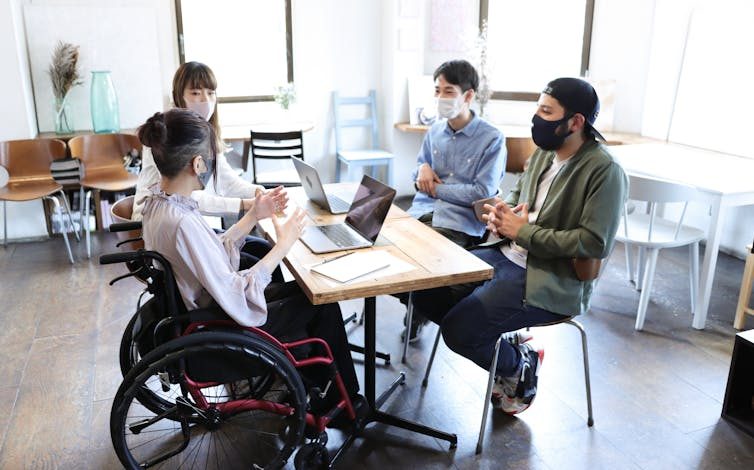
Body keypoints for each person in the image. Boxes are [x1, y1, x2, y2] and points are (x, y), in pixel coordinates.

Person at [412, 77, 627, 415]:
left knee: (458, 330)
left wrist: (523, 232)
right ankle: (498, 341)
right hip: (505, 254)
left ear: (575, 122)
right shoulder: (545, 154)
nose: (537, 118)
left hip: (551, 277)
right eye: (537, 109)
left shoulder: (605, 171)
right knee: (425, 291)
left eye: (546, 111)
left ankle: (517, 366)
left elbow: (592, 242)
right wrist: (503, 213)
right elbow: (519, 196)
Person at [137, 108, 360, 410]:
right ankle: (344, 404)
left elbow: (208, 252)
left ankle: (315, 387)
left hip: (203, 308)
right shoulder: (182, 222)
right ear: (198, 163)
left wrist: (253, 214)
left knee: (304, 293)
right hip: (219, 321)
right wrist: (282, 244)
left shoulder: (159, 204)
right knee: (322, 305)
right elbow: (233, 291)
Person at [132, 61, 274, 273]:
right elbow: (183, 199)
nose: (205, 100)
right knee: (258, 259)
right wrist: (247, 204)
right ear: (178, 95)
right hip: (168, 228)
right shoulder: (167, 136)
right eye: (196, 93)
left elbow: (227, 180)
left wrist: (259, 192)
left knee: (261, 248)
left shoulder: (205, 133)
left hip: (188, 222)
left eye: (210, 93)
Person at [403, 59, 506, 341]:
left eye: (448, 91)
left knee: (416, 262)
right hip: (421, 212)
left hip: (459, 223)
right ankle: (420, 305)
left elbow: (480, 192)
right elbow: (420, 169)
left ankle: (437, 314)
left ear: (468, 95)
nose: (440, 98)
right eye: (437, 90)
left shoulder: (492, 139)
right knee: (383, 251)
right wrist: (422, 170)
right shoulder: (435, 130)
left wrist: (437, 189)